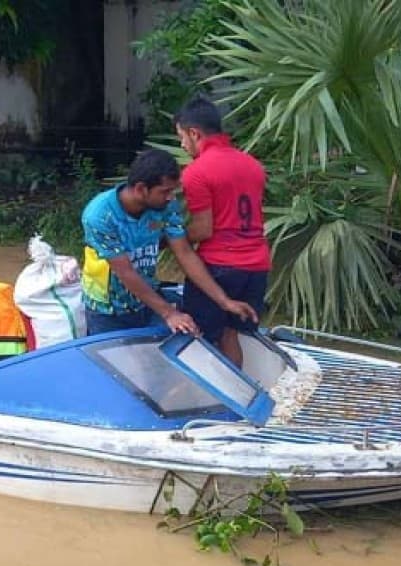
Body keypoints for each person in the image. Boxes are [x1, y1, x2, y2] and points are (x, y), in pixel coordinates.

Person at [81, 148, 257, 337]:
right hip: (107, 310)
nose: (171, 197)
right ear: (141, 189)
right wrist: (169, 313)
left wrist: (224, 301)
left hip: (148, 300)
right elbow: (125, 272)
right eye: (165, 191)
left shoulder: (165, 206)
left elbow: (185, 253)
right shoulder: (99, 215)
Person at [175, 98, 270, 369]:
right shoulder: (253, 165)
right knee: (230, 336)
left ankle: (204, 402)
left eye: (182, 137)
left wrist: (173, 238)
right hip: (257, 266)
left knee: (198, 341)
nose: (182, 145)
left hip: (220, 267)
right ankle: (236, 401)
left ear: (195, 133)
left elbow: (203, 229)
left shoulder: (196, 172)